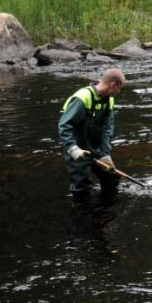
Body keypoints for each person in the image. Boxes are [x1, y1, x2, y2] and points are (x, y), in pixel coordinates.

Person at [58, 68, 126, 203]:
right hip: (78, 150)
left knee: (112, 179)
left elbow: (107, 128)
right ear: (113, 85)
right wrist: (73, 149)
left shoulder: (109, 100)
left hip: (96, 149)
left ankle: (106, 213)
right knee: (82, 188)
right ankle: (82, 218)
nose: (118, 92)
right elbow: (64, 126)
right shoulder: (82, 97)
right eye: (119, 88)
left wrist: (105, 153)